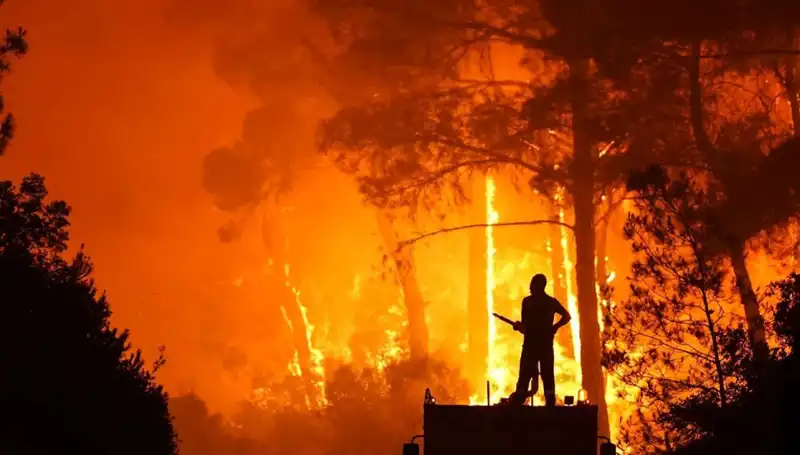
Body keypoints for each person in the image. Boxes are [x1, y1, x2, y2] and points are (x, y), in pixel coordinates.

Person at [509, 273, 571, 406]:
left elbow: (566, 316)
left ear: (540, 286)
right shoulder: (540, 302)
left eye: (532, 284)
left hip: (536, 346)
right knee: (532, 376)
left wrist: (555, 327)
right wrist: (519, 326)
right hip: (538, 345)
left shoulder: (536, 302)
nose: (530, 287)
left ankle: (545, 404)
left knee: (539, 376)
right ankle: (525, 401)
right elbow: (566, 316)